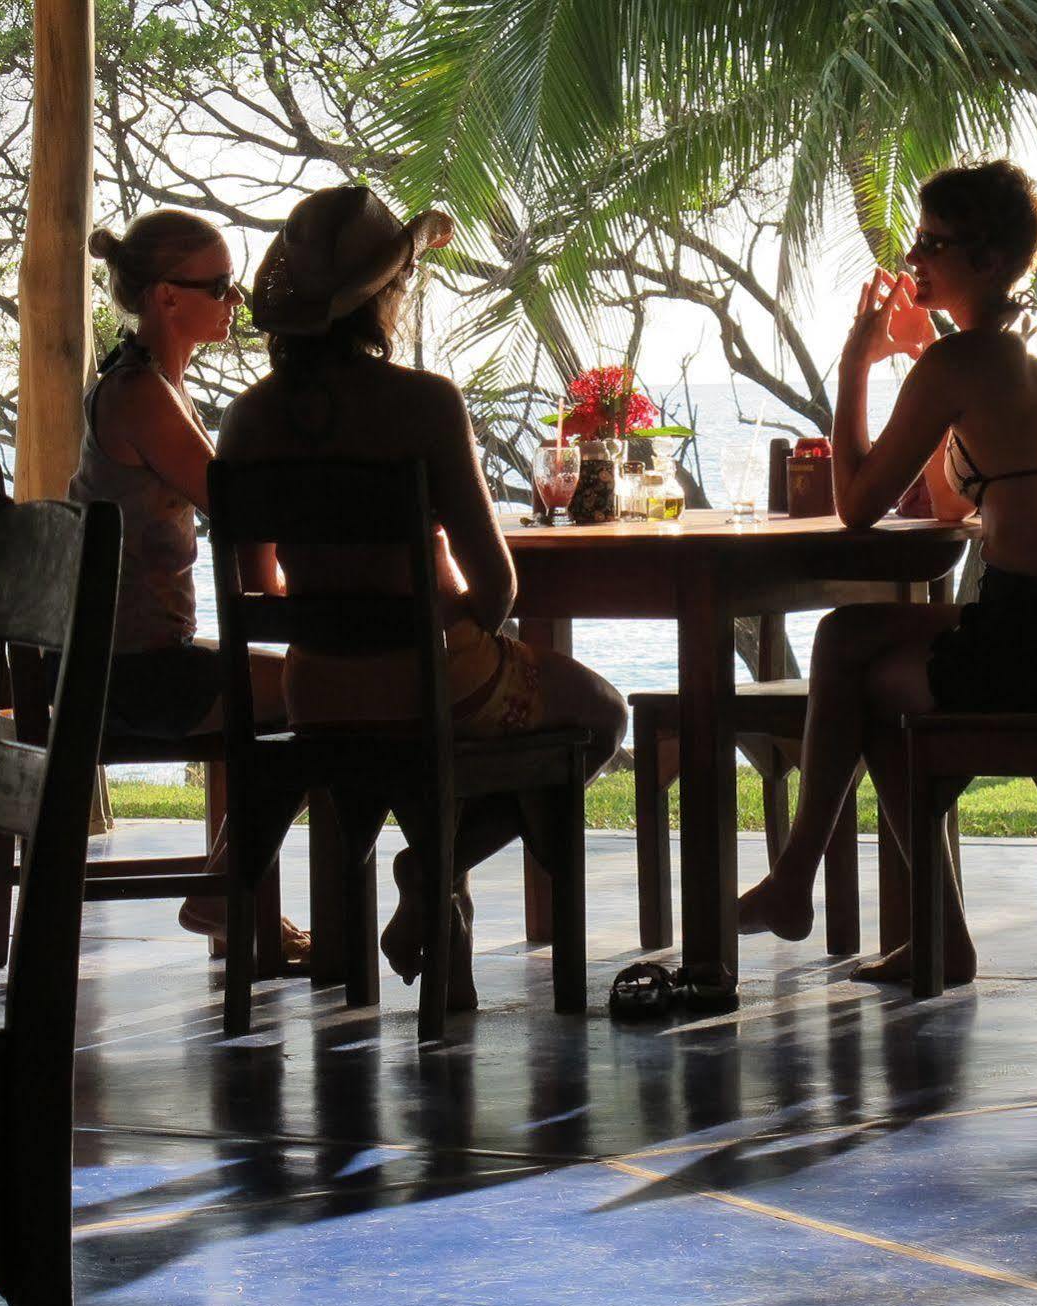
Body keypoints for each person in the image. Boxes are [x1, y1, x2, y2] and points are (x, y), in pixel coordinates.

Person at [217, 185, 627, 1010]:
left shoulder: (245, 421)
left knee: (469, 708)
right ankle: (436, 865)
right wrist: (449, 624)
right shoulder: (424, 404)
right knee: (602, 713)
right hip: (433, 682)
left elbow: (257, 584)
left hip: (315, 693)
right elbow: (498, 586)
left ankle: (437, 885)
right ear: (381, 301)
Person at [734, 160, 1037, 985]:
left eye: (932, 245)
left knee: (860, 668)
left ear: (985, 261)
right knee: (854, 650)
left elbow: (856, 506)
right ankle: (863, 907)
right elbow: (954, 506)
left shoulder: (960, 365)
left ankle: (801, 882)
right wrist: (925, 355)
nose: (913, 261)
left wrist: (854, 363)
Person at [79, 209, 310, 964]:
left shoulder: (144, 385)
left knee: (317, 688)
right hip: (133, 676)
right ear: (167, 298)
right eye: (219, 286)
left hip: (118, 662)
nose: (235, 300)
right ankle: (219, 892)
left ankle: (222, 885)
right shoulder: (144, 396)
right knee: (330, 694)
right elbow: (237, 506)